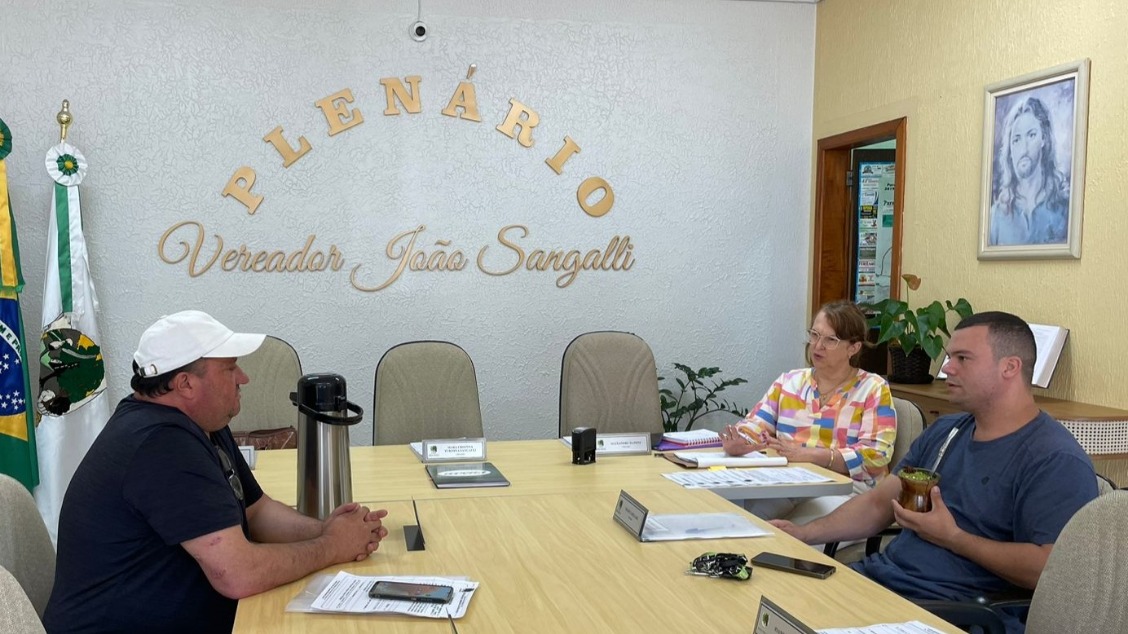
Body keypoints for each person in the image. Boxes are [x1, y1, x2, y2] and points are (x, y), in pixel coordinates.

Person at [44, 310, 390, 633]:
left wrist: (325, 530)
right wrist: (331, 546)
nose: (244, 378)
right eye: (230, 368)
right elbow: (237, 574)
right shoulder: (160, 444)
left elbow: (256, 511)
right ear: (185, 384)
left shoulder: (200, 422)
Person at [771, 311, 1097, 634]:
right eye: (949, 357)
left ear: (1009, 367)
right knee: (768, 604)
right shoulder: (947, 430)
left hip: (952, 612)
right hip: (878, 585)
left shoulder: (1054, 459)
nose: (947, 368)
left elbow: (1047, 569)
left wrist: (954, 538)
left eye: (963, 358)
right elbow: (878, 504)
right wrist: (803, 534)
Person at [720, 300, 896, 522]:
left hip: (846, 489)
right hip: (789, 481)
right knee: (739, 516)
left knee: (793, 531)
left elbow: (876, 456)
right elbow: (755, 425)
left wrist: (811, 456)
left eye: (830, 340)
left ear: (853, 348)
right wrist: (741, 441)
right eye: (814, 335)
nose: (817, 345)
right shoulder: (790, 382)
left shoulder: (873, 388)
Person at [989, 96, 1070, 246]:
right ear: (1010, 150)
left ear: (1044, 139)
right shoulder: (996, 216)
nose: (1023, 148)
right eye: (1016, 140)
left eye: (1031, 135)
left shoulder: (1065, 209)